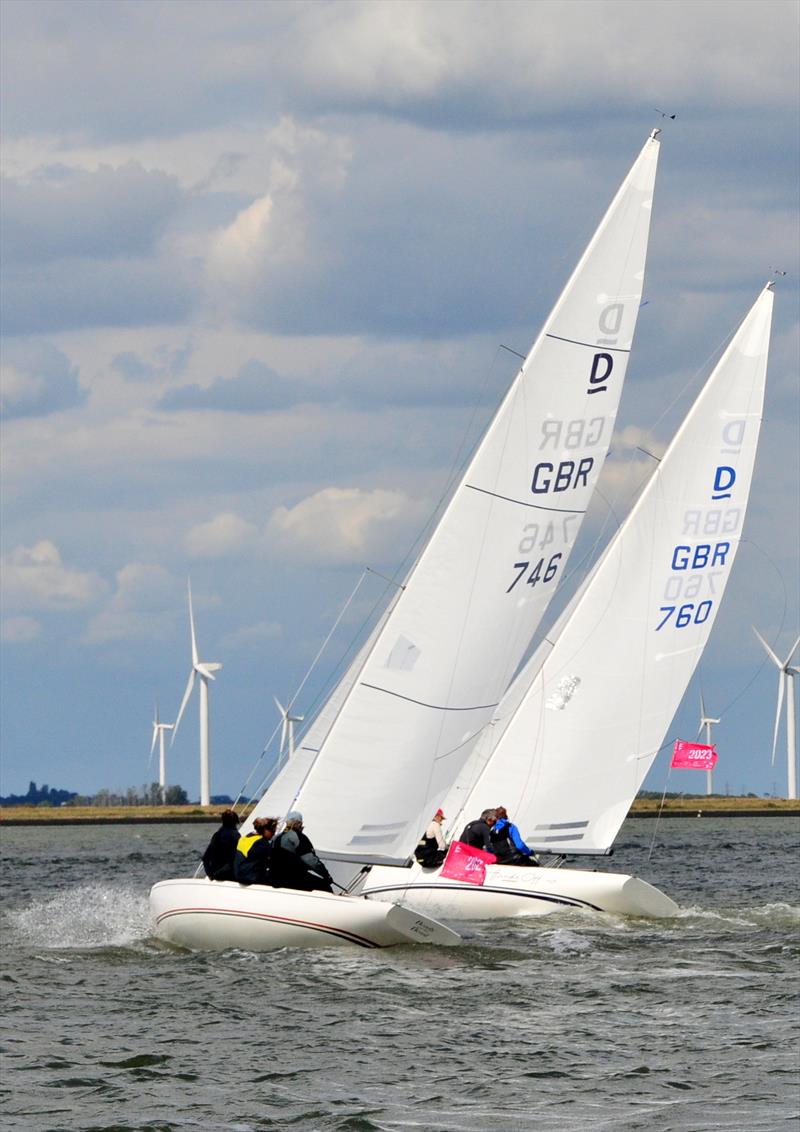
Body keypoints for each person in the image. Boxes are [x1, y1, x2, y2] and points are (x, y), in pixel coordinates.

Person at [269, 812, 334, 893]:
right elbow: (311, 861)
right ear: (299, 823)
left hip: (274, 876)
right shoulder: (298, 837)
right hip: (293, 878)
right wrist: (326, 875)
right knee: (325, 887)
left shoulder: (276, 837)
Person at [233, 817, 278, 885]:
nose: (274, 834)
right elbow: (269, 863)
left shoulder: (245, 837)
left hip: (237, 874)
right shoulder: (262, 843)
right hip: (249, 877)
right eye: (273, 831)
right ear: (265, 830)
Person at [201, 809, 241, 880]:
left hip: (214, 874)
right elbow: (234, 860)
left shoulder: (216, 835)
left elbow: (205, 858)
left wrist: (210, 874)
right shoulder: (236, 836)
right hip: (228, 876)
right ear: (235, 822)